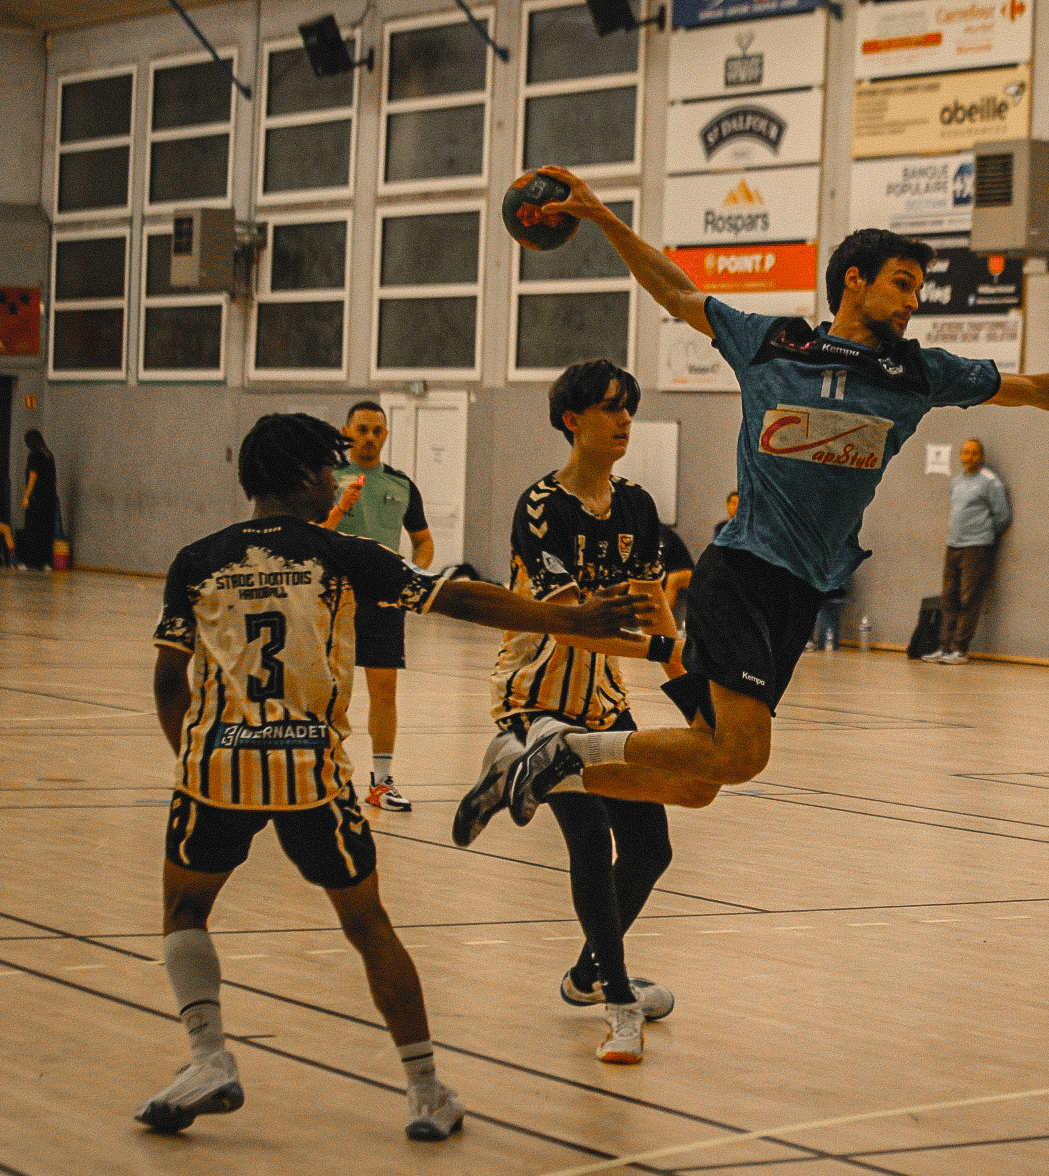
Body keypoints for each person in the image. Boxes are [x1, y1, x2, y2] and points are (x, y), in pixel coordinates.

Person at [451, 164, 1049, 828]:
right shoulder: (774, 344)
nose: (913, 301)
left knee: (701, 781)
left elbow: (1042, 390)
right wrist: (603, 217)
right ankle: (554, 748)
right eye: (903, 284)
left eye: (919, 290)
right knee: (743, 757)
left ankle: (546, 768)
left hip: (803, 586)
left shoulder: (919, 373)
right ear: (853, 281)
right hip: (742, 569)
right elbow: (677, 293)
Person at [137, 413, 644, 1140]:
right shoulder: (342, 553)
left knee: (186, 913)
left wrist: (192, 762)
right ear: (306, 474)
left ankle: (210, 1058)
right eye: (330, 468)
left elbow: (167, 682)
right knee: (367, 925)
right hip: (310, 768)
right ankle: (426, 1089)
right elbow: (459, 598)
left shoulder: (197, 559)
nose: (338, 480)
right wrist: (570, 621)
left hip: (217, 767)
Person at [457, 360, 680, 1066]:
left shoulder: (639, 505)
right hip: (539, 696)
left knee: (651, 848)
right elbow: (562, 621)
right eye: (610, 409)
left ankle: (587, 973)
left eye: (630, 411)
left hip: (602, 697)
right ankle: (618, 1001)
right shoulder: (541, 505)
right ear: (571, 419)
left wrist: (685, 683)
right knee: (589, 841)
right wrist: (649, 648)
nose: (623, 422)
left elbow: (655, 608)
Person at [323, 402, 434, 813]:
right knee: (332, 693)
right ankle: (327, 777)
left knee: (384, 693)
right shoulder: (327, 479)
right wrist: (339, 510)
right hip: (334, 602)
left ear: (385, 435)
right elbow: (312, 535)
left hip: (384, 602)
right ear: (346, 431)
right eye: (362, 429)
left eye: (377, 431)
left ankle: (381, 783)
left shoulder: (401, 485)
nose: (370, 437)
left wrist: (410, 575)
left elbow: (423, 541)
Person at [921, 438, 1010, 665]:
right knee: (949, 598)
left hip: (977, 547)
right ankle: (944, 647)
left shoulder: (991, 483)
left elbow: (1002, 517)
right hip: (953, 545)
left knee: (969, 599)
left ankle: (960, 649)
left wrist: (983, 536)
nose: (968, 457)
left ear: (980, 457)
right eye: (965, 452)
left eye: (973, 453)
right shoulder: (957, 482)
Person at [16, 428, 58, 570]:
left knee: (33, 530)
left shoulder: (33, 456)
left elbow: (33, 477)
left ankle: (31, 562)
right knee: (46, 530)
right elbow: (52, 480)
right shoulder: (48, 455)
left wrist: (26, 496)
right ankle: (46, 563)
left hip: (37, 498)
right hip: (50, 497)